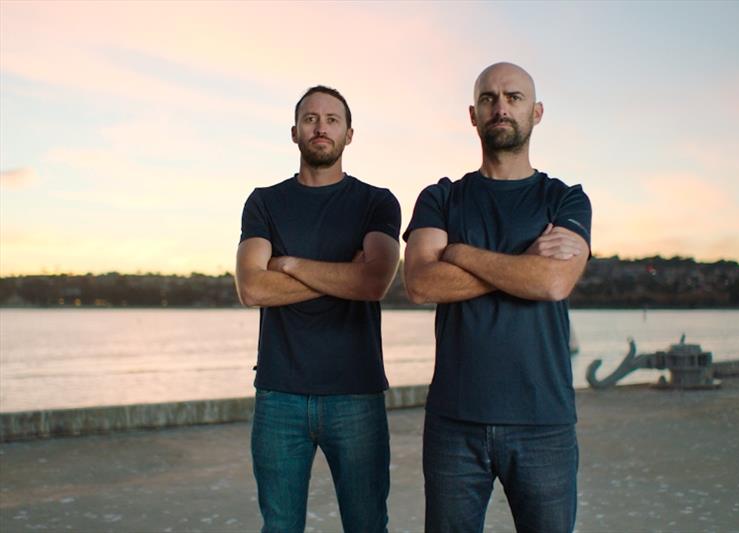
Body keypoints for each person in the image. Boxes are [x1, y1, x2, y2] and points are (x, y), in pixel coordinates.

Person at [403, 62, 592, 532]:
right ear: (473, 114)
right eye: (489, 98)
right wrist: (523, 260)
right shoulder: (441, 198)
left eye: (514, 97)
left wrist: (461, 253)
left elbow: (553, 283)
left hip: (543, 422)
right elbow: (422, 284)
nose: (500, 107)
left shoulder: (565, 199)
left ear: (538, 112)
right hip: (454, 421)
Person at [235, 85, 401, 533]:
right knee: (280, 527)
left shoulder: (376, 201)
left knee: (367, 525)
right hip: (278, 395)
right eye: (310, 119)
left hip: (356, 395)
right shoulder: (264, 201)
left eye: (332, 120)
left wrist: (289, 266)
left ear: (349, 134)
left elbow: (374, 281)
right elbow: (251, 288)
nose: (321, 127)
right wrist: (339, 276)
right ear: (294, 132)